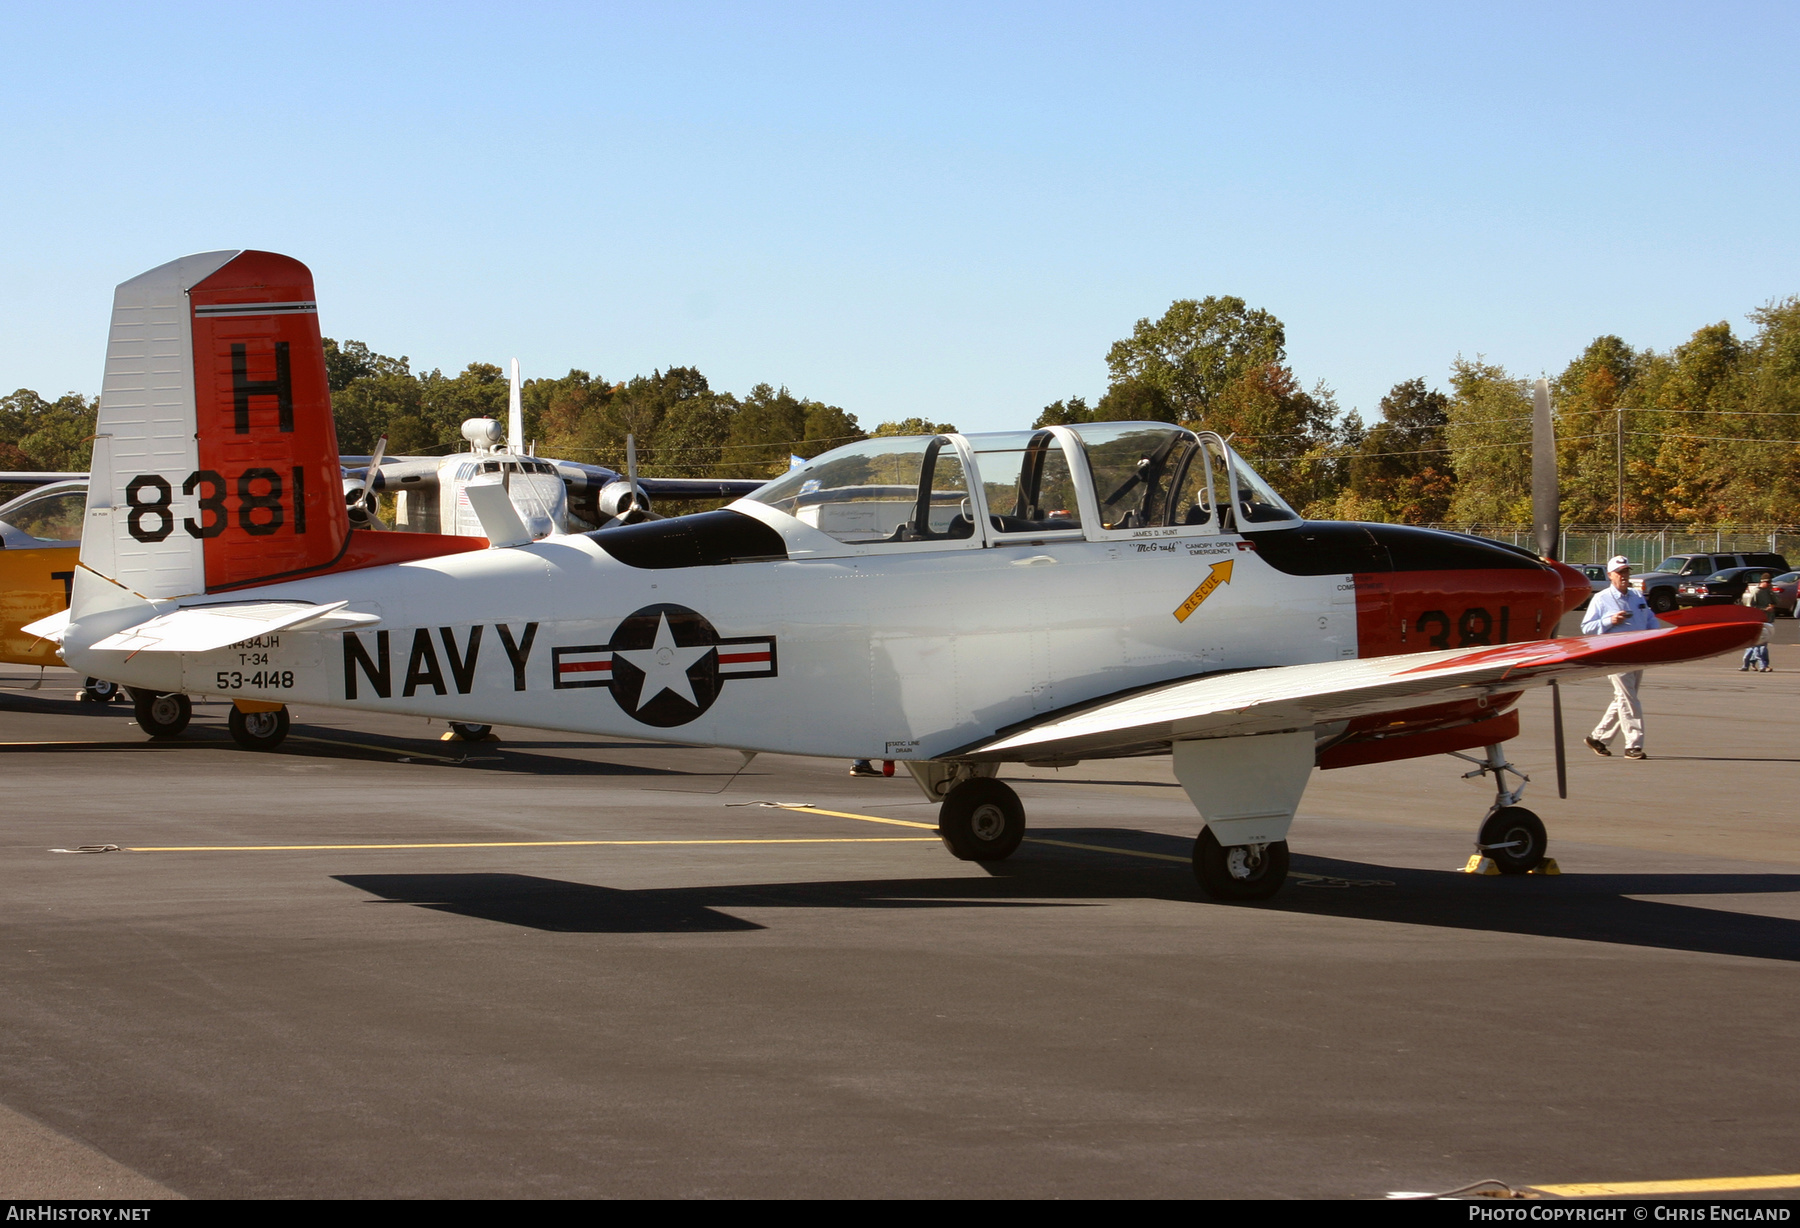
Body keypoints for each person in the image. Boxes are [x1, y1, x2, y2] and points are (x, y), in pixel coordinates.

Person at [1581, 556, 1658, 760]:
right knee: (1629, 699)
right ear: (1610, 575)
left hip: (1638, 653)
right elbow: (1587, 627)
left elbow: (1650, 618)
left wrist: (1655, 638)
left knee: (1623, 698)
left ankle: (1598, 738)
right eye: (1619, 572)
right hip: (1615, 654)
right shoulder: (1602, 598)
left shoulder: (1636, 595)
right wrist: (1610, 620)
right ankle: (1633, 745)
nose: (1624, 576)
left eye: (1626, 572)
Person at [1740, 573, 1775, 671]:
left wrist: (1772, 593)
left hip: (1768, 619)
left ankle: (1750, 664)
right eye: (1767, 582)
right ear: (1762, 581)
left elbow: (1777, 602)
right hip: (1758, 620)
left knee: (1757, 645)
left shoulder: (1768, 592)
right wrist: (1765, 609)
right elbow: (1751, 607)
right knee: (1759, 645)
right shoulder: (1756, 592)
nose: (1769, 584)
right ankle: (1763, 665)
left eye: (1770, 582)